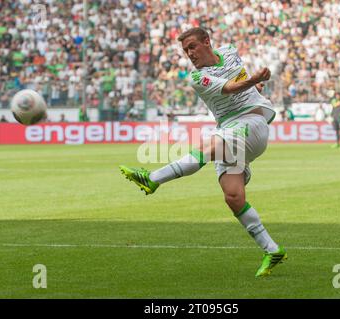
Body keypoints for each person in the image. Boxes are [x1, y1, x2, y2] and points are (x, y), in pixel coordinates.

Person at [119, 27, 286, 278]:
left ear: (207, 42)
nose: (189, 54)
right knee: (233, 196)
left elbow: (238, 79)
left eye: (193, 47)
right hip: (232, 129)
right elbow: (230, 87)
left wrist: (254, 87)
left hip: (251, 124)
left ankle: (152, 179)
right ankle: (272, 250)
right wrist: (253, 81)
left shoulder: (229, 51)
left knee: (206, 147)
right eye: (186, 50)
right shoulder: (198, 78)